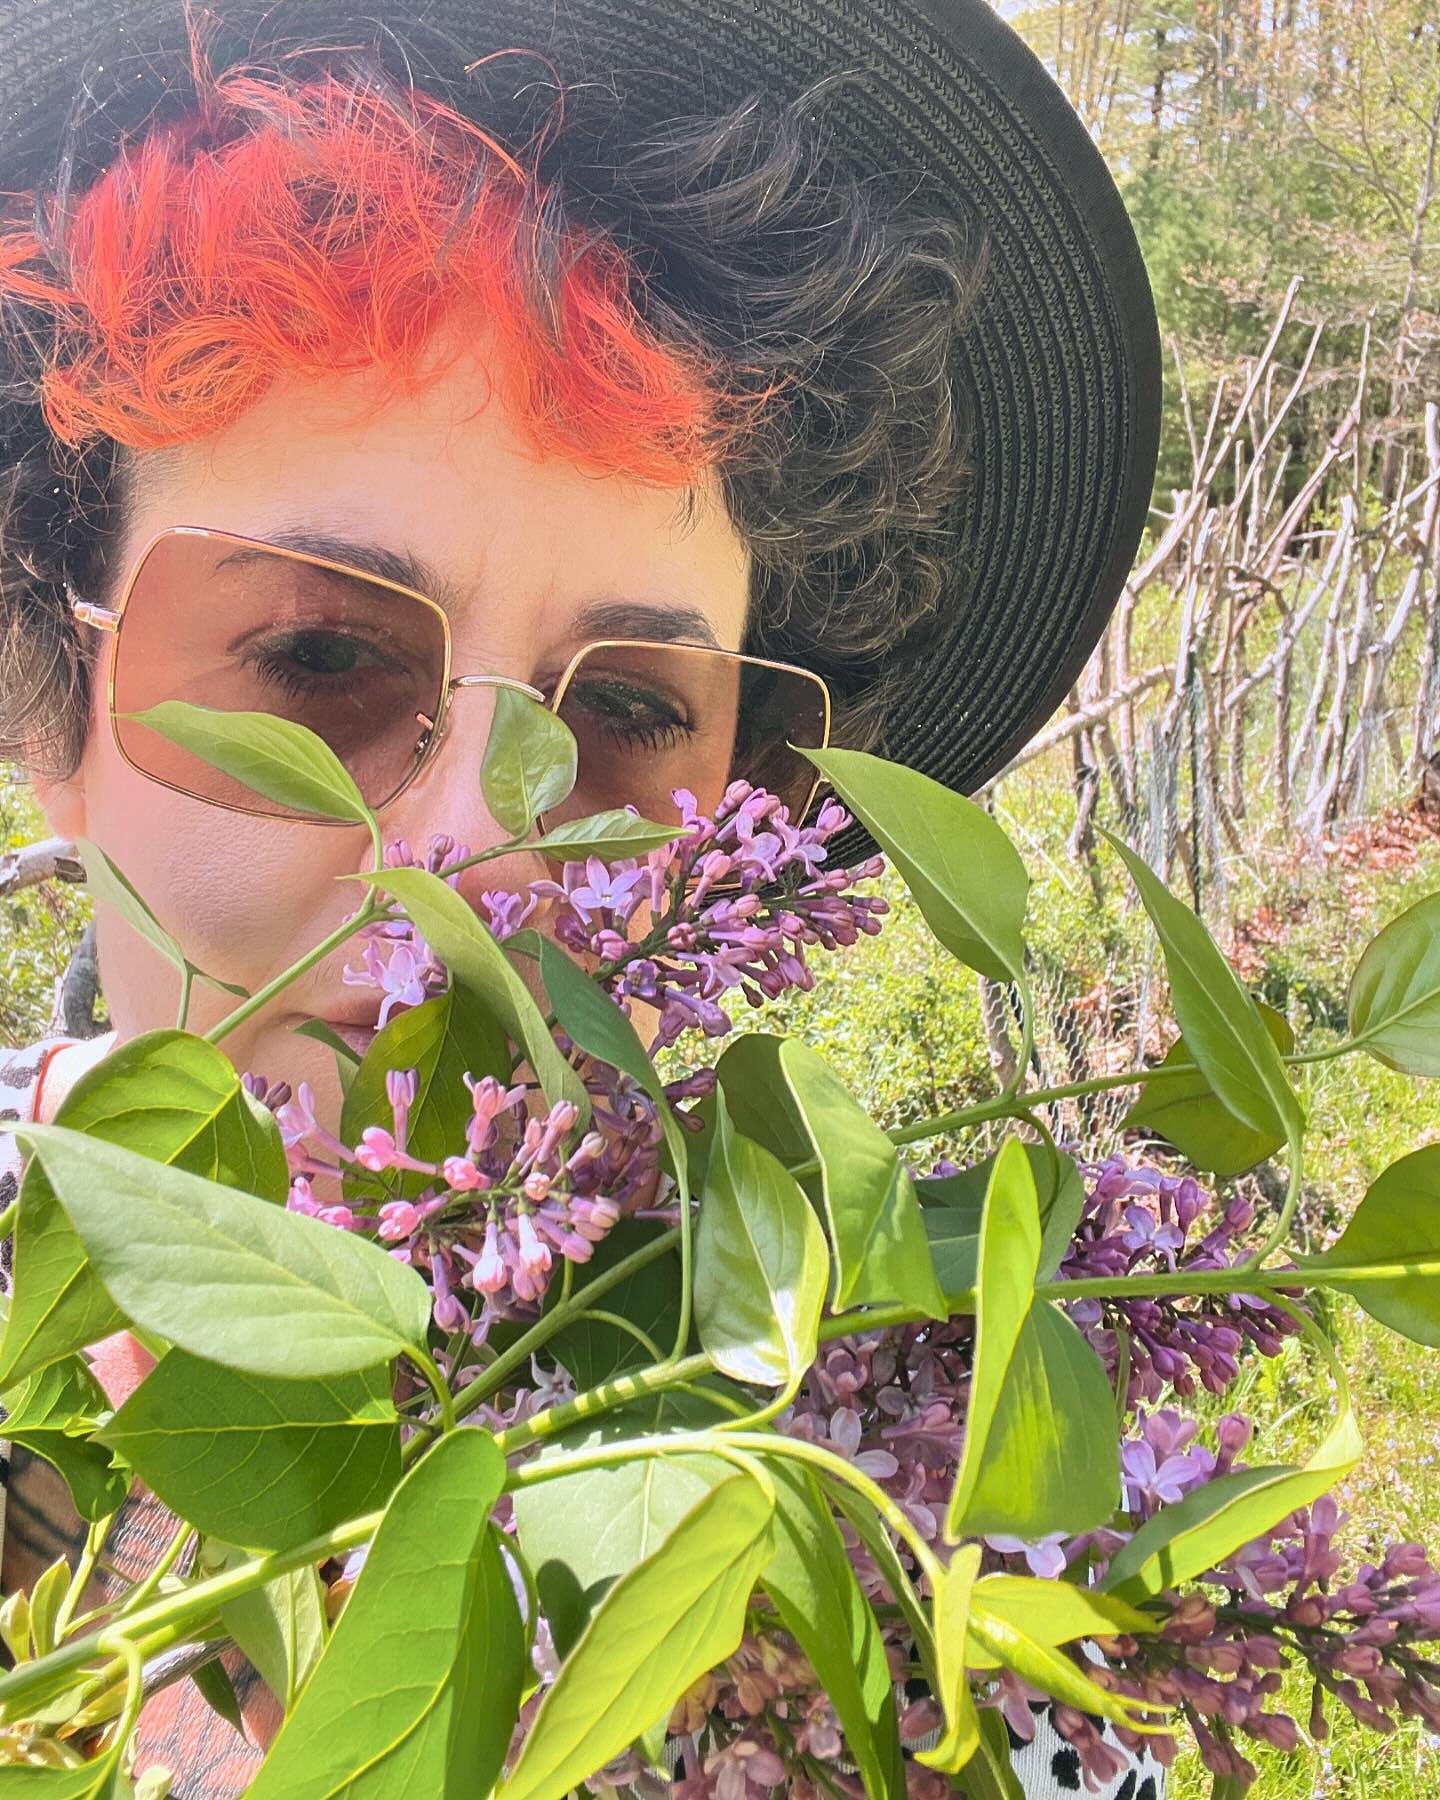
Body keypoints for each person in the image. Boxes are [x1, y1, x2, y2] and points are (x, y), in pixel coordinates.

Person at [0, 0, 1163, 1792]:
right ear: (46, 699)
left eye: (626, 714)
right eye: (318, 652)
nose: (476, 851)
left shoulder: (886, 1507)